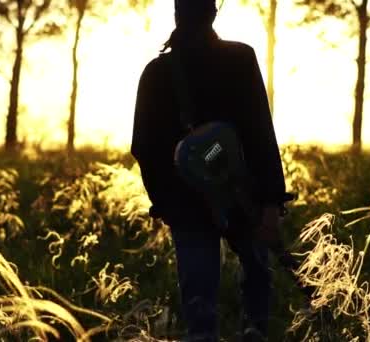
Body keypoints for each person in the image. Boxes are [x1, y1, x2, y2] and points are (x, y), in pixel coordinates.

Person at [131, 0, 288, 341]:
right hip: (246, 196)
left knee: (200, 316)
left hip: (186, 206)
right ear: (214, 11)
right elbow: (261, 132)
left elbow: (143, 147)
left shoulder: (156, 72)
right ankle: (253, 331)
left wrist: (167, 203)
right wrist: (271, 202)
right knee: (257, 293)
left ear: (175, 13)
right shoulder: (240, 59)